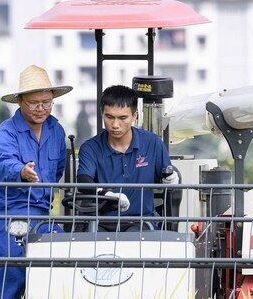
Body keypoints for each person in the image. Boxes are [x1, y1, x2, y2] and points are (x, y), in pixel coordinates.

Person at [0, 65, 72, 299]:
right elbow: (5, 163)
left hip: (43, 213)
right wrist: (22, 172)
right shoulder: (6, 132)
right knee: (13, 267)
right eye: (34, 103)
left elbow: (57, 171)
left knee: (64, 255)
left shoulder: (56, 130)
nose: (41, 108)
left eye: (46, 102)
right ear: (20, 102)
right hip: (10, 212)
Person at [76, 85, 178, 230]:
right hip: (101, 223)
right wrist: (107, 194)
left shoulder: (153, 143)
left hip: (142, 222)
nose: (115, 125)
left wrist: (171, 179)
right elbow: (83, 180)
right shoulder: (90, 147)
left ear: (135, 115)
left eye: (122, 118)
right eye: (109, 117)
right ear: (101, 113)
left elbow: (166, 174)